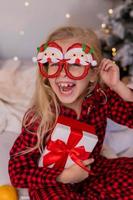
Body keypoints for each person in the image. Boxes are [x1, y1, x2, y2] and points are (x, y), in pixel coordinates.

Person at [8, 26, 133, 200]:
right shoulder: (40, 117)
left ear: (92, 74)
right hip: (53, 181)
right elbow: (17, 172)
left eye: (75, 64)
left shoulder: (100, 98)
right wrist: (63, 176)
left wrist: (117, 86)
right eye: (55, 64)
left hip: (92, 172)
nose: (63, 73)